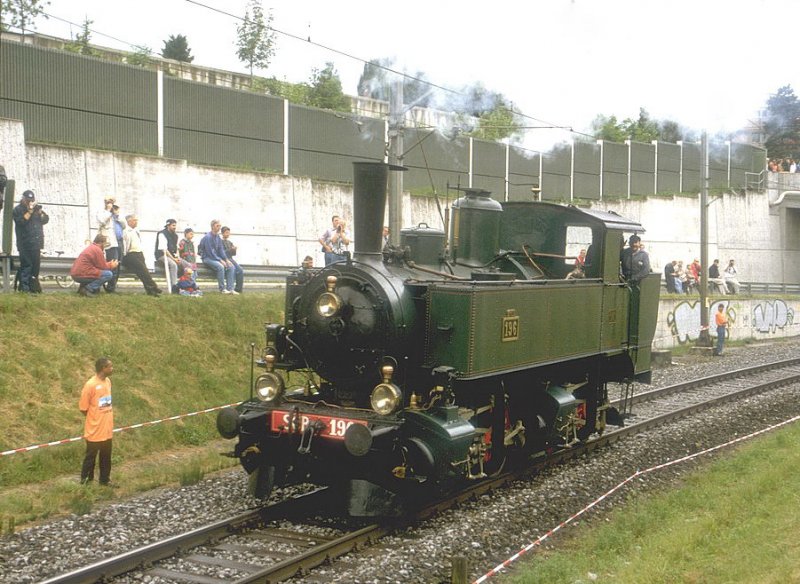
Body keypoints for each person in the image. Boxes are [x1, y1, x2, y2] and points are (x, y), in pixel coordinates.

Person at [79, 357, 115, 486]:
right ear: (102, 368)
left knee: (106, 457)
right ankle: (86, 482)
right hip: (94, 429)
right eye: (109, 366)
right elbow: (83, 408)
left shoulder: (108, 382)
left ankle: (104, 480)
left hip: (107, 429)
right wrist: (94, 418)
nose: (112, 368)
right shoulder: (90, 385)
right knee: (90, 457)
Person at [12, 190, 49, 293]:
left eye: (31, 200)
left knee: (35, 267)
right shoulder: (18, 210)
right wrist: (29, 211)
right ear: (23, 199)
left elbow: (45, 220)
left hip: (36, 243)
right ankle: (24, 288)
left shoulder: (37, 209)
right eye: (28, 200)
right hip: (24, 243)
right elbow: (20, 222)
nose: (29, 202)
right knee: (27, 265)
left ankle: (34, 288)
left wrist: (40, 213)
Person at [122, 214, 162, 296]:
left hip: (139, 252)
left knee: (143, 271)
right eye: (134, 220)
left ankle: (150, 291)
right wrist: (125, 254)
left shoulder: (136, 231)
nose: (136, 222)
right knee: (142, 269)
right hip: (130, 254)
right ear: (129, 221)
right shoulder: (126, 231)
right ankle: (153, 286)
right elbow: (125, 245)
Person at [198, 219, 236, 294]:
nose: (219, 228)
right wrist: (220, 260)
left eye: (220, 226)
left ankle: (230, 289)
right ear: (212, 226)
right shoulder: (208, 237)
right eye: (217, 226)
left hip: (215, 258)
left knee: (231, 266)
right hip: (207, 258)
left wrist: (226, 259)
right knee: (220, 267)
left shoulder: (217, 237)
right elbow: (210, 252)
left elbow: (220, 250)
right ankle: (222, 289)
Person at [96, 197, 125, 293]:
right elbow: (102, 221)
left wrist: (117, 215)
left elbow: (124, 225)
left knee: (118, 266)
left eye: (112, 203)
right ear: (105, 203)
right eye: (109, 203)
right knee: (113, 265)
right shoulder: (102, 213)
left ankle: (112, 287)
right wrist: (109, 211)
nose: (111, 205)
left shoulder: (115, 217)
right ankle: (110, 288)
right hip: (110, 243)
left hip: (119, 242)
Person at [155, 219, 189, 293]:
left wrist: (178, 257)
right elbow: (164, 250)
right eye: (173, 225)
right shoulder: (162, 234)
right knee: (173, 265)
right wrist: (174, 259)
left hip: (172, 256)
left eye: (175, 225)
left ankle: (187, 285)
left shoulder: (175, 235)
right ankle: (174, 287)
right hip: (162, 255)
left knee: (188, 265)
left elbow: (176, 249)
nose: (175, 227)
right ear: (168, 225)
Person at [221, 226, 244, 294]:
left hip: (230, 258)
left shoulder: (230, 242)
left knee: (240, 270)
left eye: (228, 233)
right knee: (233, 269)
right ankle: (231, 288)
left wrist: (234, 250)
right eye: (226, 233)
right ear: (222, 233)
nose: (228, 234)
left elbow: (233, 254)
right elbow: (222, 253)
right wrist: (230, 250)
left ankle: (238, 289)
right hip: (225, 259)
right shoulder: (220, 242)